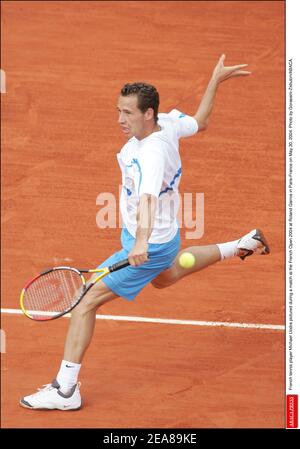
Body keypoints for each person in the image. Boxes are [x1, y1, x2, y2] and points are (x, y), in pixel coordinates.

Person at [20, 54, 269, 410]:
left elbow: (149, 198)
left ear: (148, 113)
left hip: (148, 242)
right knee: (166, 277)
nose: (120, 119)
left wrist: (139, 242)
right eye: (119, 111)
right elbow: (201, 122)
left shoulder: (150, 153)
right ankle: (242, 244)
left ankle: (66, 391)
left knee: (86, 300)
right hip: (164, 238)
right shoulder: (168, 123)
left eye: (128, 113)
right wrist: (215, 80)